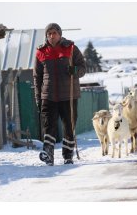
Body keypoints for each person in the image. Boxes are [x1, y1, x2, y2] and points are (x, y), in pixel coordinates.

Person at [33, 23, 86, 166]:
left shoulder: (71, 48)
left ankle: (68, 155)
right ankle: (48, 154)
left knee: (69, 126)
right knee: (49, 126)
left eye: (54, 33)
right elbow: (37, 77)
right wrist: (38, 97)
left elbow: (83, 67)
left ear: (60, 34)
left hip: (68, 95)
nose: (51, 36)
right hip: (48, 95)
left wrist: (74, 70)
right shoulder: (41, 52)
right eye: (49, 33)